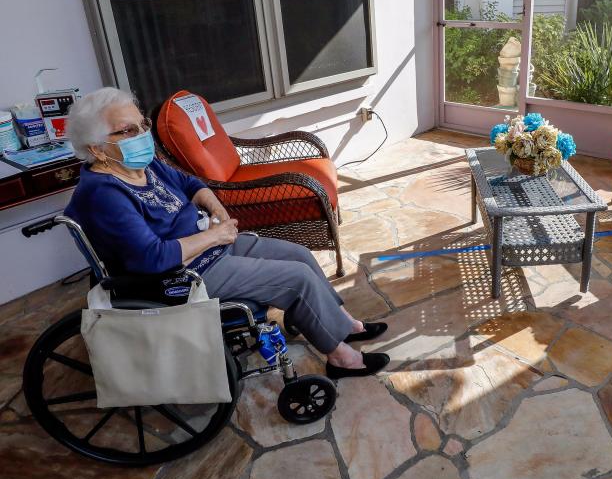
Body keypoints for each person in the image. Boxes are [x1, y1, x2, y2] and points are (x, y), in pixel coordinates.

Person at [64, 87, 388, 379]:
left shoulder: (140, 165)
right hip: (180, 275)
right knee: (295, 279)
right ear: (98, 148)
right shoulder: (102, 194)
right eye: (128, 130)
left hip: (208, 246)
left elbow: (191, 184)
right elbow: (153, 258)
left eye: (142, 126)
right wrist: (214, 237)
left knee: (299, 254)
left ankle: (345, 326)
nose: (141, 136)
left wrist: (216, 208)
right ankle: (341, 359)